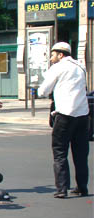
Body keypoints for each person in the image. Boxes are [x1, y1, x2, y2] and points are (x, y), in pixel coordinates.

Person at [38, 42, 89, 198]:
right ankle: (82, 187)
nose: (51, 57)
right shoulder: (81, 67)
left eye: (53, 54)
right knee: (80, 154)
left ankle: (62, 189)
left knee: (60, 152)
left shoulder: (58, 67)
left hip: (65, 114)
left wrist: (41, 91)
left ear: (61, 55)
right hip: (82, 115)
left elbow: (44, 90)